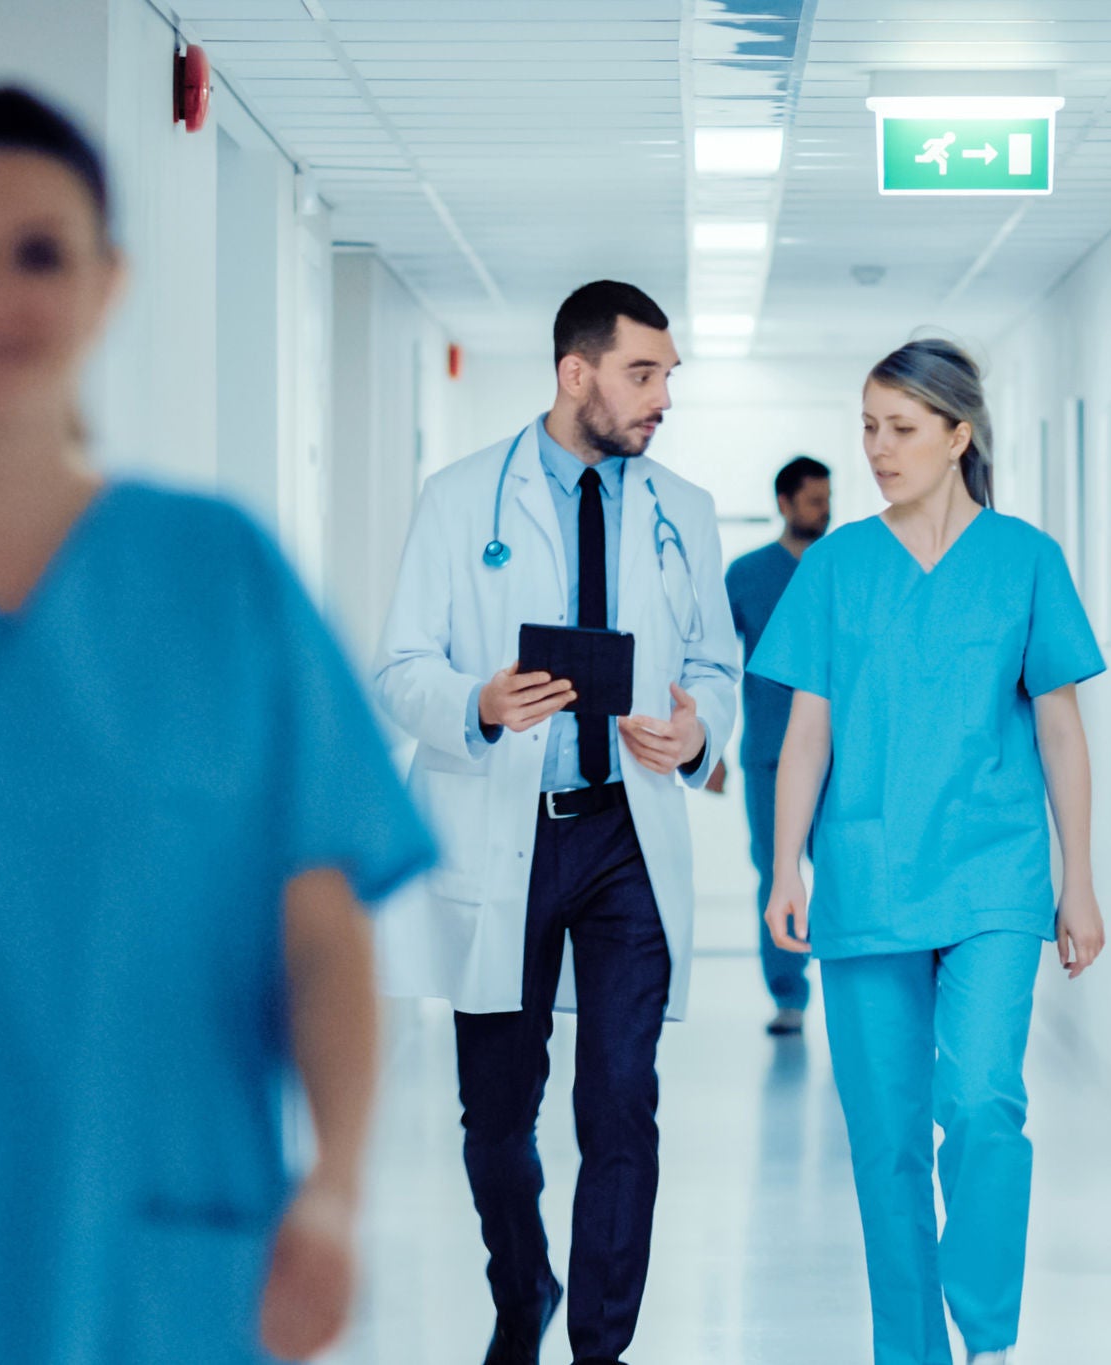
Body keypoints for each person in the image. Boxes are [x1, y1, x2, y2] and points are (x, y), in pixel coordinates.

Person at [0, 88, 435, 1363]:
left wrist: (337, 1186)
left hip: (164, 1243)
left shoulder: (218, 578)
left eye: (41, 253)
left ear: (107, 282)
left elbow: (318, 930)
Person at [371, 281, 741, 1365]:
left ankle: (599, 1347)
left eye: (668, 375)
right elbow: (400, 671)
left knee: (621, 1100)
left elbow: (716, 667)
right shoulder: (456, 501)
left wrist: (696, 730)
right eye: (643, 373)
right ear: (575, 373)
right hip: (504, 826)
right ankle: (520, 1283)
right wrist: (476, 705)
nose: (661, 396)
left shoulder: (684, 508)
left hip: (624, 834)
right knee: (496, 1115)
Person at [750, 338, 1107, 1365]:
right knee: (887, 1145)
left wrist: (1076, 878)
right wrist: (785, 865)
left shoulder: (1024, 560)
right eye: (867, 426)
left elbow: (1058, 729)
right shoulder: (834, 568)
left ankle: (985, 1331)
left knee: (982, 1102)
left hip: (994, 879)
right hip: (865, 883)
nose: (876, 449)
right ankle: (909, 1352)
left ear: (958, 436)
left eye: (900, 428)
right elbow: (806, 728)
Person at [725, 454, 833, 1035]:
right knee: (778, 873)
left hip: (843, 757)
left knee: (843, 869)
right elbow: (712, 665)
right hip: (768, 753)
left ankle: (850, 986)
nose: (825, 511)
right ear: (785, 504)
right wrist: (709, 746)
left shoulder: (846, 566)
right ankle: (788, 995)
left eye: (828, 499)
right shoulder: (746, 574)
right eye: (814, 501)